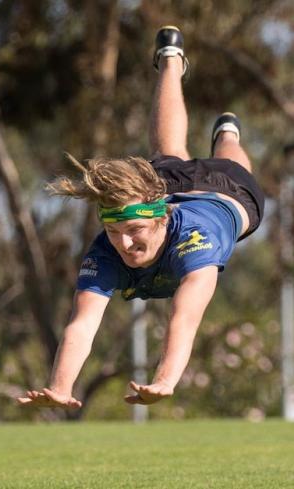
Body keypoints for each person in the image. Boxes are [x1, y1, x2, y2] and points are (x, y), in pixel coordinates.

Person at [17, 26, 265, 409]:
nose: (124, 243)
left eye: (134, 230)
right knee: (166, 152)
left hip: (225, 192)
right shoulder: (106, 250)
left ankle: (227, 134)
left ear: (163, 217)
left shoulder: (197, 244)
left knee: (229, 159)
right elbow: (82, 324)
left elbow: (184, 318)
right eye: (113, 231)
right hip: (167, 186)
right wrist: (61, 387)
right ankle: (170, 61)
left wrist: (165, 381)